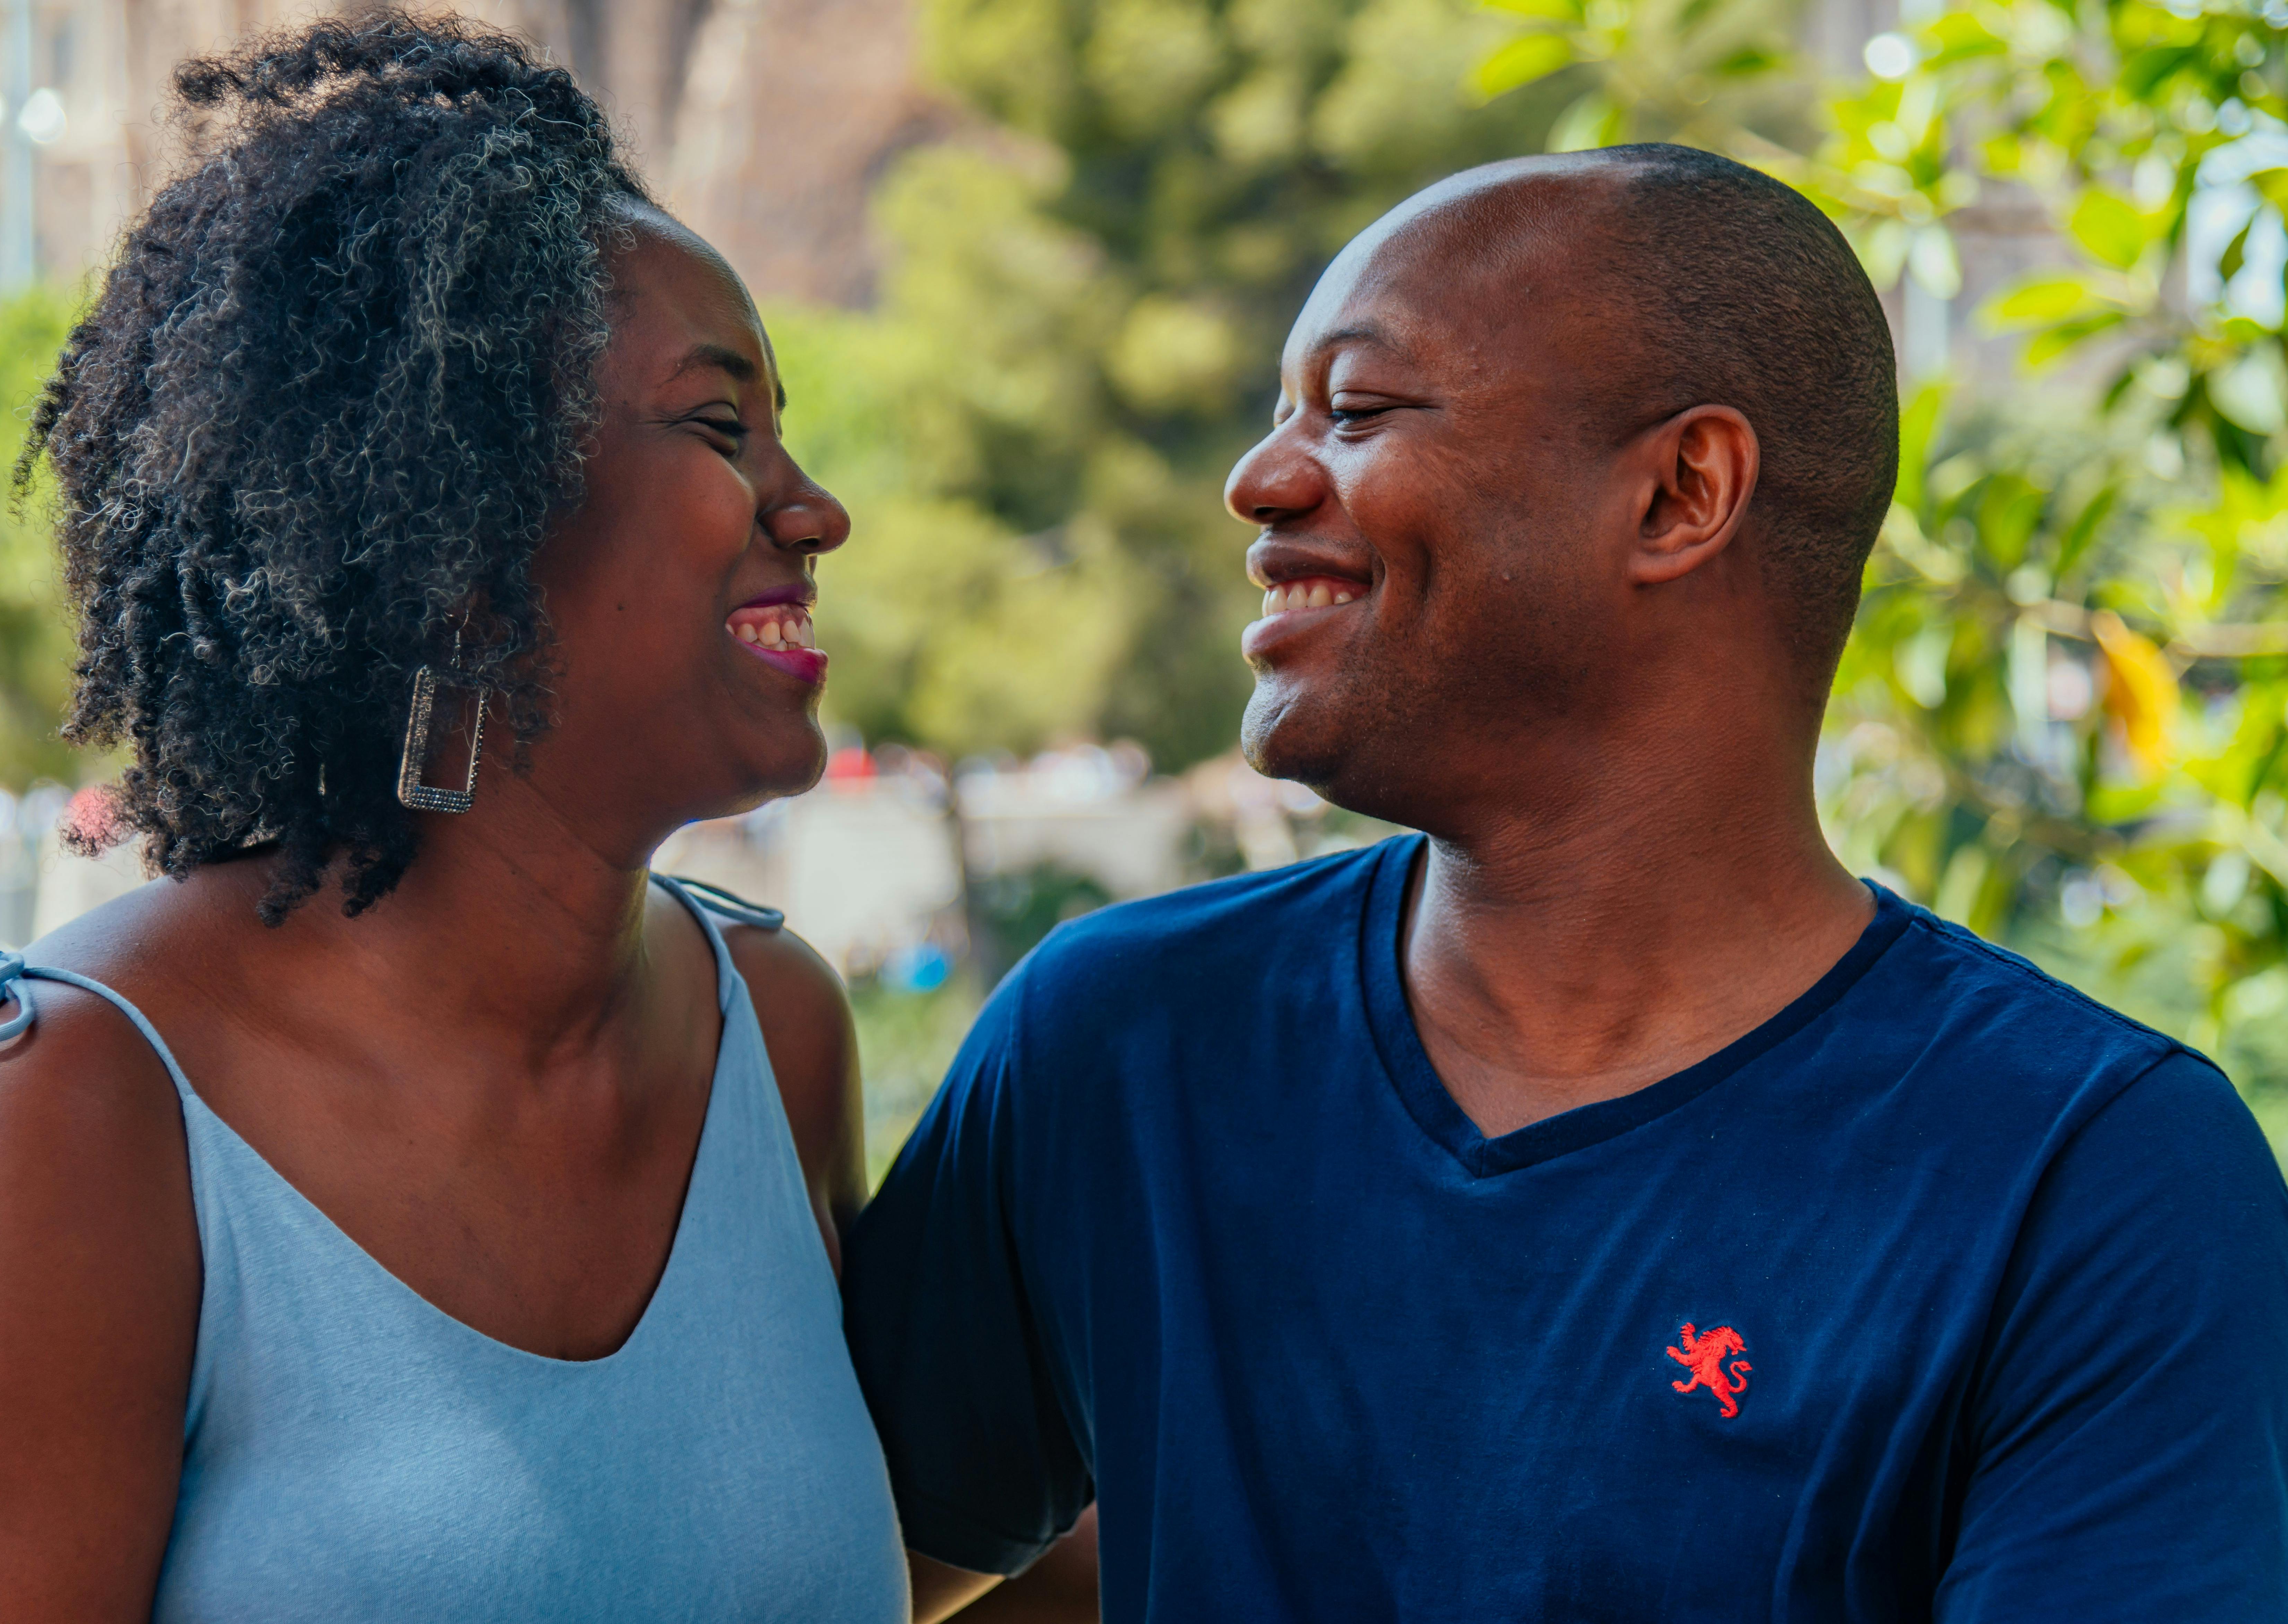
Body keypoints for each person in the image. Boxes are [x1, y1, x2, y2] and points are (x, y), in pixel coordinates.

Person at [844, 145, 2288, 1622]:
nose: (1258, 481)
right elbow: (811, 1573)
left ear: (1679, 493)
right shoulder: (1118, 1046)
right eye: (1284, 417)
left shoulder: (2094, 1178)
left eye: (1356, 410)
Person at [0, 16, 917, 1618]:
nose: (815, 508)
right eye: (719, 428)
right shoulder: (57, 1111)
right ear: (462, 540)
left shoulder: (775, 1034)